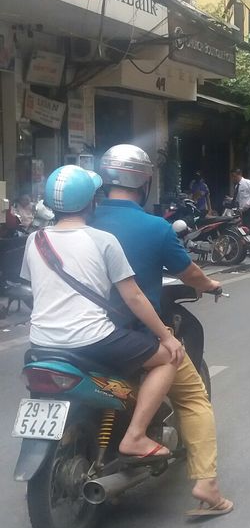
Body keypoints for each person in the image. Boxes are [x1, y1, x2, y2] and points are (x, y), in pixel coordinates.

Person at [92, 145, 232, 517]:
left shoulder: (81, 221)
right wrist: (213, 286)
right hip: (132, 335)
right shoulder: (155, 227)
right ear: (145, 181)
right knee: (194, 398)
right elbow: (191, 275)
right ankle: (207, 485)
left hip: (76, 334)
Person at [21, 165, 185, 460]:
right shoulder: (102, 240)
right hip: (91, 339)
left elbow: (35, 289)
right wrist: (167, 337)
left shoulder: (35, 240)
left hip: (41, 342)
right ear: (90, 202)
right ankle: (135, 436)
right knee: (167, 359)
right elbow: (134, 297)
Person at [231, 169, 250, 237]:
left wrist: (248, 203)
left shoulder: (247, 182)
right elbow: (239, 199)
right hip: (243, 211)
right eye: (232, 176)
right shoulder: (236, 186)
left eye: (234, 176)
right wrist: (231, 200)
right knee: (244, 229)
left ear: (239, 175)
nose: (233, 178)